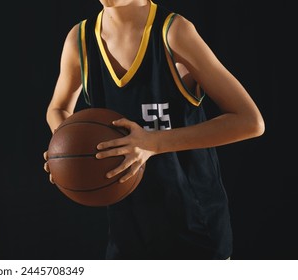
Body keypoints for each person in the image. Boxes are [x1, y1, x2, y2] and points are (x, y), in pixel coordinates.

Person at [43, 0, 265, 259]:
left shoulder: (174, 32)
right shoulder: (80, 38)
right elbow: (57, 108)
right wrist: (67, 148)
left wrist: (152, 143)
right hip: (128, 233)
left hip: (194, 229)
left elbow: (250, 121)